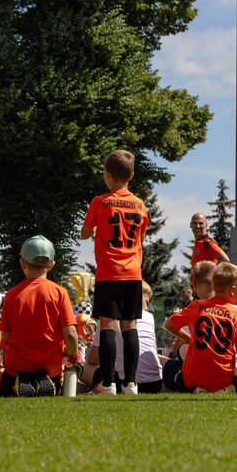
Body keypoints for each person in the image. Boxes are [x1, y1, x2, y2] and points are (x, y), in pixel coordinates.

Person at [81, 149, 150, 396]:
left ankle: (108, 384)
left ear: (106, 175)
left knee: (108, 324)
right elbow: (141, 236)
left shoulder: (100, 202)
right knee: (130, 325)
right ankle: (131, 384)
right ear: (131, 176)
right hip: (132, 273)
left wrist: (96, 231)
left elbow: (85, 232)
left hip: (109, 272)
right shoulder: (140, 205)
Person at [0, 235, 79, 397]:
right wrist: (73, 357)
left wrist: (6, 364)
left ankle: (21, 379)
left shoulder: (11, 295)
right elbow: (70, 334)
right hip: (50, 367)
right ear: (51, 265)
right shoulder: (60, 293)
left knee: (5, 386)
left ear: (23, 264)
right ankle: (43, 378)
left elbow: (6, 337)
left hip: (17, 366)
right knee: (54, 379)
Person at [162, 262, 237, 394]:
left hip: (191, 379)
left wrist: (188, 339)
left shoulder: (196, 306)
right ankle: (221, 388)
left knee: (170, 369)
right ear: (233, 290)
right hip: (223, 380)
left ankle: (197, 387)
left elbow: (167, 325)